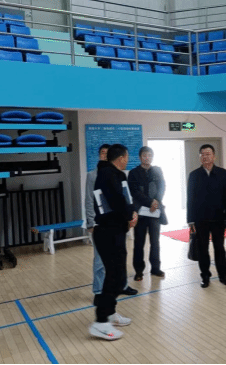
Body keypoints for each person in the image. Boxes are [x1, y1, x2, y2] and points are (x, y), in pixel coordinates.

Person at [89, 144, 138, 341]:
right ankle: (101, 322)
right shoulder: (107, 174)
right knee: (115, 277)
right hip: (108, 232)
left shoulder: (115, 174)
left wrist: (132, 213)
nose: (127, 160)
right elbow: (117, 200)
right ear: (122, 158)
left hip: (116, 230)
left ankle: (110, 313)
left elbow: (126, 198)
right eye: (127, 157)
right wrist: (129, 215)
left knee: (117, 276)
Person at [187, 144, 226, 288]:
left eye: (208, 154)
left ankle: (223, 276)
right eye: (202, 154)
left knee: (219, 248)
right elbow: (190, 198)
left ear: (214, 156)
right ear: (199, 157)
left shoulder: (223, 173)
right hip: (200, 219)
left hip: (218, 218)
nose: (205, 157)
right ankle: (205, 276)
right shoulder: (194, 175)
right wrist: (190, 220)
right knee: (203, 249)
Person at [128, 146, 167, 281]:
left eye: (149, 155)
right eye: (144, 155)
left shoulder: (157, 170)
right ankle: (139, 271)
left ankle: (155, 268)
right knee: (139, 242)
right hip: (141, 212)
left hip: (155, 212)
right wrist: (150, 202)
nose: (147, 158)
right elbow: (134, 192)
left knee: (155, 242)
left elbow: (162, 187)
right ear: (140, 157)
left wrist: (156, 201)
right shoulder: (133, 173)